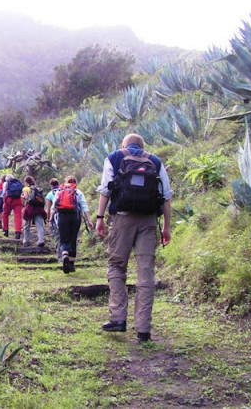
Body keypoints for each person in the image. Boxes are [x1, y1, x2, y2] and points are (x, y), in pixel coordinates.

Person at [95, 133, 172, 344]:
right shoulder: (155, 161)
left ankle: (118, 318)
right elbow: (165, 195)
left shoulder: (114, 157)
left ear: (124, 145)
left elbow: (105, 190)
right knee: (145, 272)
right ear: (142, 146)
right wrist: (166, 227)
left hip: (123, 219)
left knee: (117, 266)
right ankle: (143, 330)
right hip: (148, 221)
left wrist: (100, 218)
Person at [51, 176, 93, 273]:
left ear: (66, 182)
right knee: (73, 238)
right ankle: (71, 265)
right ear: (75, 183)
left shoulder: (60, 191)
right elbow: (84, 207)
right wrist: (89, 220)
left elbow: (54, 206)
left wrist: (50, 219)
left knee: (64, 238)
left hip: (62, 216)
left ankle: (65, 254)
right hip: (75, 217)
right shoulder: (78, 192)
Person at [21, 176, 47, 247]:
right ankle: (41, 240)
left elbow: (26, 197)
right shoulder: (36, 188)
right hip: (38, 208)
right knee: (39, 225)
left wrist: (22, 196)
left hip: (30, 208)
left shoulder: (25, 188)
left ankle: (26, 241)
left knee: (26, 225)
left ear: (26, 182)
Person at [1, 174, 23, 239]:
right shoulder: (18, 182)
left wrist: (4, 200)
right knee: (18, 216)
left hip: (9, 200)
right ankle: (18, 232)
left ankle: (6, 231)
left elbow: (4, 193)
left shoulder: (6, 183)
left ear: (6, 179)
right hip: (18, 200)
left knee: (5, 214)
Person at [44, 177, 61, 260]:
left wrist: (48, 220)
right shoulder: (63, 191)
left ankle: (60, 256)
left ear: (51, 185)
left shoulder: (50, 194)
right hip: (67, 214)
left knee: (57, 235)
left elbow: (48, 209)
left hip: (55, 216)